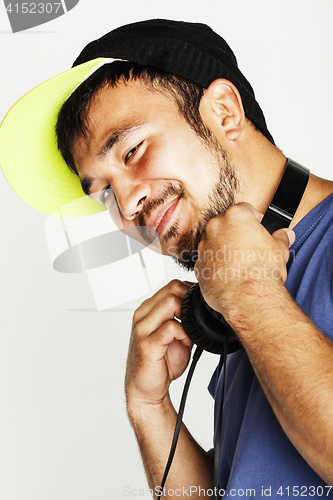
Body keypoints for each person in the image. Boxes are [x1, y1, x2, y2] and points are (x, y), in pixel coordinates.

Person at [1, 19, 333, 499]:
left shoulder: (248, 297)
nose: (128, 203)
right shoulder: (234, 306)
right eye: (105, 194)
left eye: (133, 150)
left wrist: (249, 295)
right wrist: (149, 407)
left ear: (224, 111)